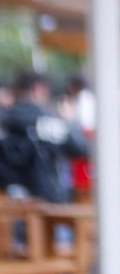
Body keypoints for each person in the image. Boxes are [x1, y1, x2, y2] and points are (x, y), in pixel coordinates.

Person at [0, 71, 87, 202]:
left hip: (6, 205)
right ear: (39, 89)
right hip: (47, 205)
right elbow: (81, 148)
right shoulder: (48, 123)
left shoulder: (4, 120)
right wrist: (71, 123)